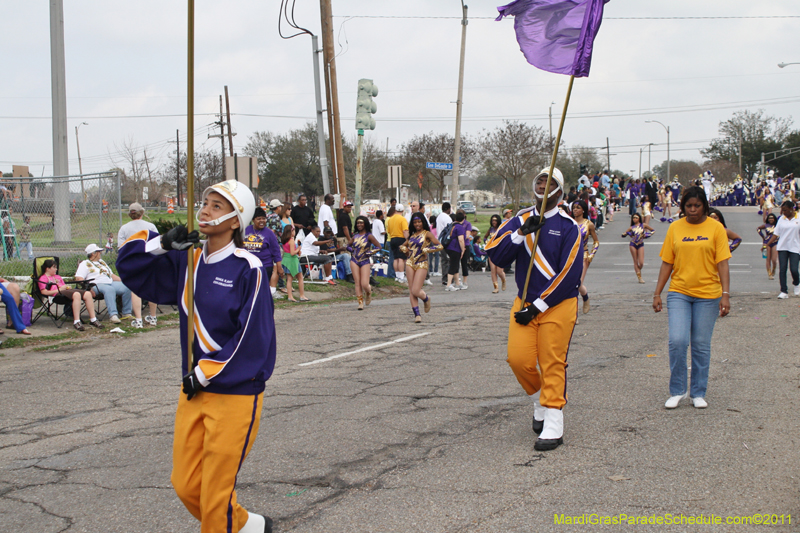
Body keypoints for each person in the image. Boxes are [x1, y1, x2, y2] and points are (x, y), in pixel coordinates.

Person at [116, 179, 275, 533]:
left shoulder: (248, 267)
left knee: (215, 497)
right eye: (205, 202)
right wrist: (161, 244)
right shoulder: (186, 259)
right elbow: (128, 266)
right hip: (193, 391)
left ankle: (227, 523)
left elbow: (253, 336)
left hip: (234, 392)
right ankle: (247, 525)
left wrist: (205, 372)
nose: (204, 209)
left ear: (236, 220)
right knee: (186, 485)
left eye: (217, 206)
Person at [485, 167, 583, 451]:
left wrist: (539, 305)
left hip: (557, 305)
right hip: (524, 302)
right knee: (519, 360)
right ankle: (540, 397)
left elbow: (569, 276)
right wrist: (519, 234)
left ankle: (553, 418)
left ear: (560, 191)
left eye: (549, 181)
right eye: (540, 180)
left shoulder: (569, 227)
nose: (543, 184)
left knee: (552, 361)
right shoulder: (520, 219)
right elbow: (495, 254)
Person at [653, 186, 731, 410]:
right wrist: (657, 292)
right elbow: (667, 262)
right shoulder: (675, 228)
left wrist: (725, 294)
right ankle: (677, 390)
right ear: (682, 207)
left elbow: (722, 263)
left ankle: (698, 392)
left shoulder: (716, 228)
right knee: (677, 341)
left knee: (700, 344)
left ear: (705, 205)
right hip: (680, 292)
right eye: (689, 206)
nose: (693, 210)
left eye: (697, 206)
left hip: (709, 295)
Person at [118, 202, 159, 327]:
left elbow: (121, 248)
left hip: (133, 260)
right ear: (142, 212)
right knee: (151, 287)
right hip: (149, 259)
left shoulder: (124, 228)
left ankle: (139, 320)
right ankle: (153, 317)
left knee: (135, 289)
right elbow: (158, 243)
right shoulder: (150, 226)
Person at [75, 244, 134, 324]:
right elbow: (79, 278)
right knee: (110, 289)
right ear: (93, 253)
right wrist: (88, 288)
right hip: (96, 285)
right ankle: (113, 315)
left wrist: (124, 280)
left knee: (127, 287)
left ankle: (126, 313)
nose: (100, 253)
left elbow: (111, 275)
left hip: (110, 282)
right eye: (99, 252)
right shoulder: (85, 264)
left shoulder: (102, 262)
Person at [399, 212, 442, 322]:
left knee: (416, 290)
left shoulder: (427, 234)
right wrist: (403, 249)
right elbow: (403, 246)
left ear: (423, 222)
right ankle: (417, 314)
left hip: (422, 263)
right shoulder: (411, 236)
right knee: (411, 290)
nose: (417, 224)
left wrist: (429, 250)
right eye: (414, 222)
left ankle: (426, 298)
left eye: (419, 221)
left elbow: (440, 246)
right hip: (410, 263)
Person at [39, 259, 103, 331]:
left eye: (56, 267)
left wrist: (67, 287)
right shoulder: (43, 278)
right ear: (47, 269)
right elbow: (44, 292)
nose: (56, 269)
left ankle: (93, 319)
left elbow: (63, 286)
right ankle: (76, 321)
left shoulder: (57, 277)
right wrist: (59, 290)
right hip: (56, 295)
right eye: (54, 267)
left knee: (87, 294)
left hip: (65, 292)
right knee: (76, 294)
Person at [244, 207, 284, 299]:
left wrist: (279, 267)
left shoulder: (269, 233)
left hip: (265, 267)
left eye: (264, 218)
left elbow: (276, 251)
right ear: (253, 220)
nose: (262, 221)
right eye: (259, 219)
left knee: (261, 292)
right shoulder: (246, 230)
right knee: (249, 291)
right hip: (248, 266)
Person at [766, 200, 800, 299]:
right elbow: (776, 233)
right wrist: (767, 244)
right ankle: (783, 291)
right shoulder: (781, 219)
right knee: (782, 269)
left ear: (791, 209)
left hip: (795, 247)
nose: (783, 212)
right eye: (782, 210)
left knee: (794, 269)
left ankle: (797, 283)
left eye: (785, 210)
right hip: (783, 247)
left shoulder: (798, 218)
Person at [571, 200, 599, 313]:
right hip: (570, 256)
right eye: (574, 207)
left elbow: (596, 241)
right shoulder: (569, 223)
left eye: (578, 207)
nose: (575, 210)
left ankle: (575, 313)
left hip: (583, 255)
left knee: (577, 284)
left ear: (583, 210)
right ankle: (585, 296)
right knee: (570, 283)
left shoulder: (589, 224)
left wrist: (592, 254)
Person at [349, 216, 381, 310]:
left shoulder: (369, 236)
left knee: (364, 283)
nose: (359, 225)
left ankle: (368, 292)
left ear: (365, 224)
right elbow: (348, 246)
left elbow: (378, 246)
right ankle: (360, 303)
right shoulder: (355, 236)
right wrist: (352, 250)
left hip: (365, 260)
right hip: (354, 259)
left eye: (361, 223)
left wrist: (369, 253)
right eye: (358, 223)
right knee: (357, 282)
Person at [621, 213, 655, 284]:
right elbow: (624, 234)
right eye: (633, 218)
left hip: (640, 244)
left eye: (636, 218)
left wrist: (647, 235)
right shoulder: (631, 227)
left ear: (639, 218)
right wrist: (626, 234)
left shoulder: (644, 225)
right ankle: (640, 277)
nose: (634, 219)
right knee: (635, 261)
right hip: (633, 244)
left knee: (641, 262)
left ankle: (638, 269)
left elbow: (653, 230)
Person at [280, 226, 308, 302]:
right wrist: (298, 249)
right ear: (291, 232)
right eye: (294, 230)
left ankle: (290, 296)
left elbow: (288, 251)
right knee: (300, 277)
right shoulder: (291, 240)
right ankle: (302, 295)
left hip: (286, 259)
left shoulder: (284, 240)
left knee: (289, 279)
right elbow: (292, 253)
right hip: (292, 260)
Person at [444, 211, 469, 291]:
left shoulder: (452, 225)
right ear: (463, 219)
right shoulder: (460, 227)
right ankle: (448, 285)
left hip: (448, 247)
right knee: (453, 265)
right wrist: (463, 249)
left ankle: (457, 283)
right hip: (455, 248)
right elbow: (461, 239)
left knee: (455, 265)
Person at [386, 203, 409, 283]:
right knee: (401, 258)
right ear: (403, 210)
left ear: (395, 210)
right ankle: (402, 276)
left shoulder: (390, 219)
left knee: (395, 258)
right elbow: (405, 231)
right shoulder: (403, 219)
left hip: (392, 239)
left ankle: (397, 276)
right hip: (401, 239)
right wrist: (408, 240)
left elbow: (388, 231)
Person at [484, 214, 507, 294]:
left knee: (499, 271)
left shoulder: (501, 229)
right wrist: (487, 242)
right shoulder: (490, 229)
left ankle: (503, 280)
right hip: (492, 251)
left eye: (495, 220)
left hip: (500, 252)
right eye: (493, 220)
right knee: (493, 270)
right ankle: (496, 287)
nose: (494, 222)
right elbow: (485, 237)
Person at [758, 213, 779, 279]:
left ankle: (774, 268)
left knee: (774, 259)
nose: (771, 219)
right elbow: (758, 229)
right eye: (769, 218)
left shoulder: (777, 226)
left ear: (774, 219)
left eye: (772, 218)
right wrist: (763, 236)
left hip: (775, 242)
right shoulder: (766, 225)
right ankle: (769, 273)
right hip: (766, 243)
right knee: (767, 259)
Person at [436, 203, 453, 285]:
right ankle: (449, 278)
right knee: (449, 260)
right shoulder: (447, 218)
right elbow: (450, 230)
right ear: (448, 209)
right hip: (446, 241)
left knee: (443, 260)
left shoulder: (439, 217)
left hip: (439, 240)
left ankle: (444, 278)